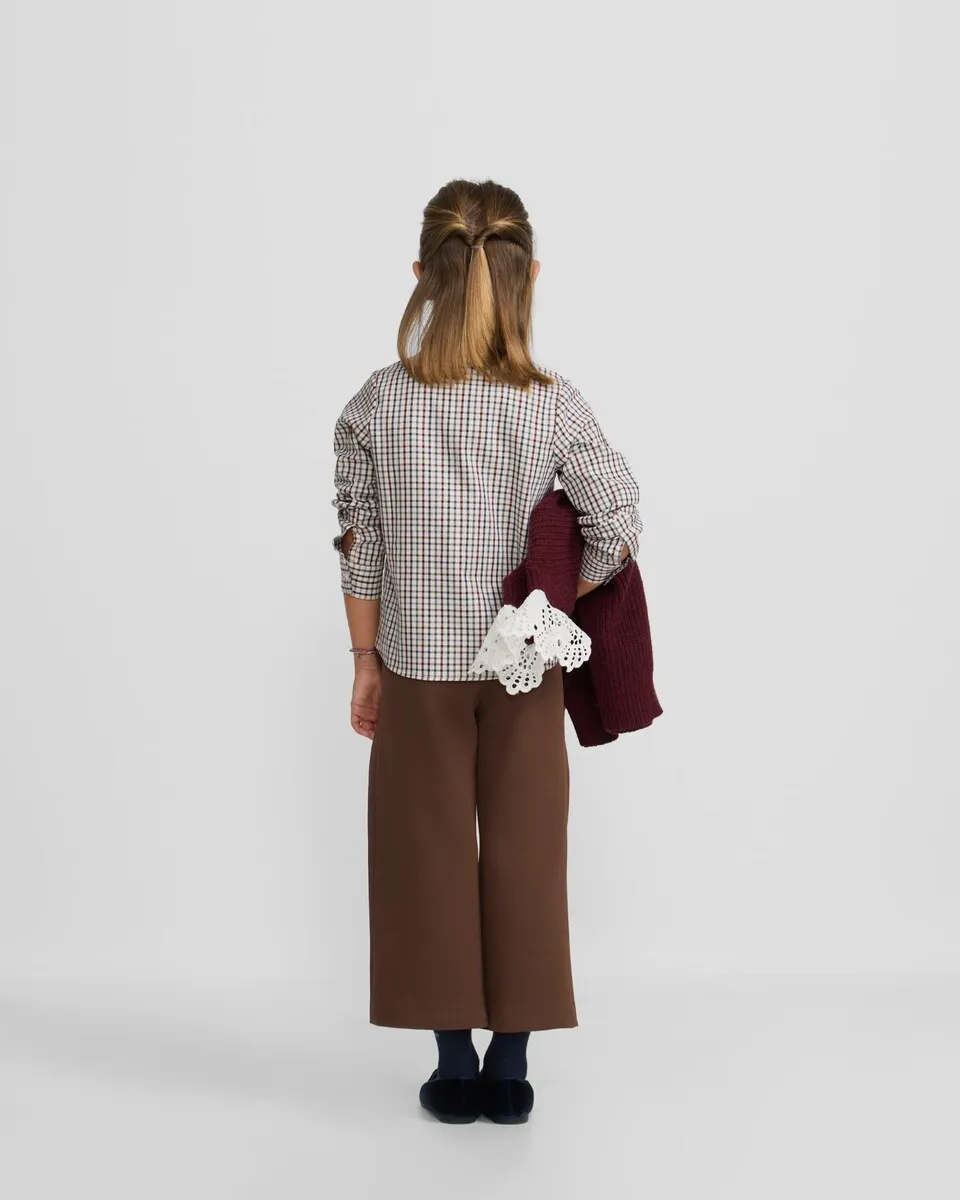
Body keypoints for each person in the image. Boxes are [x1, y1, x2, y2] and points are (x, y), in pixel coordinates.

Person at [331, 178, 642, 1124]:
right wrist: (548, 605)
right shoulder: (553, 406)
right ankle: (510, 1068)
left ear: (421, 275)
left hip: (418, 669)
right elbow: (617, 524)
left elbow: (360, 543)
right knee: (525, 853)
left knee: (423, 853)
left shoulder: (377, 404)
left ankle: (451, 1066)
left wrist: (364, 660)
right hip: (523, 668)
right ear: (529, 277)